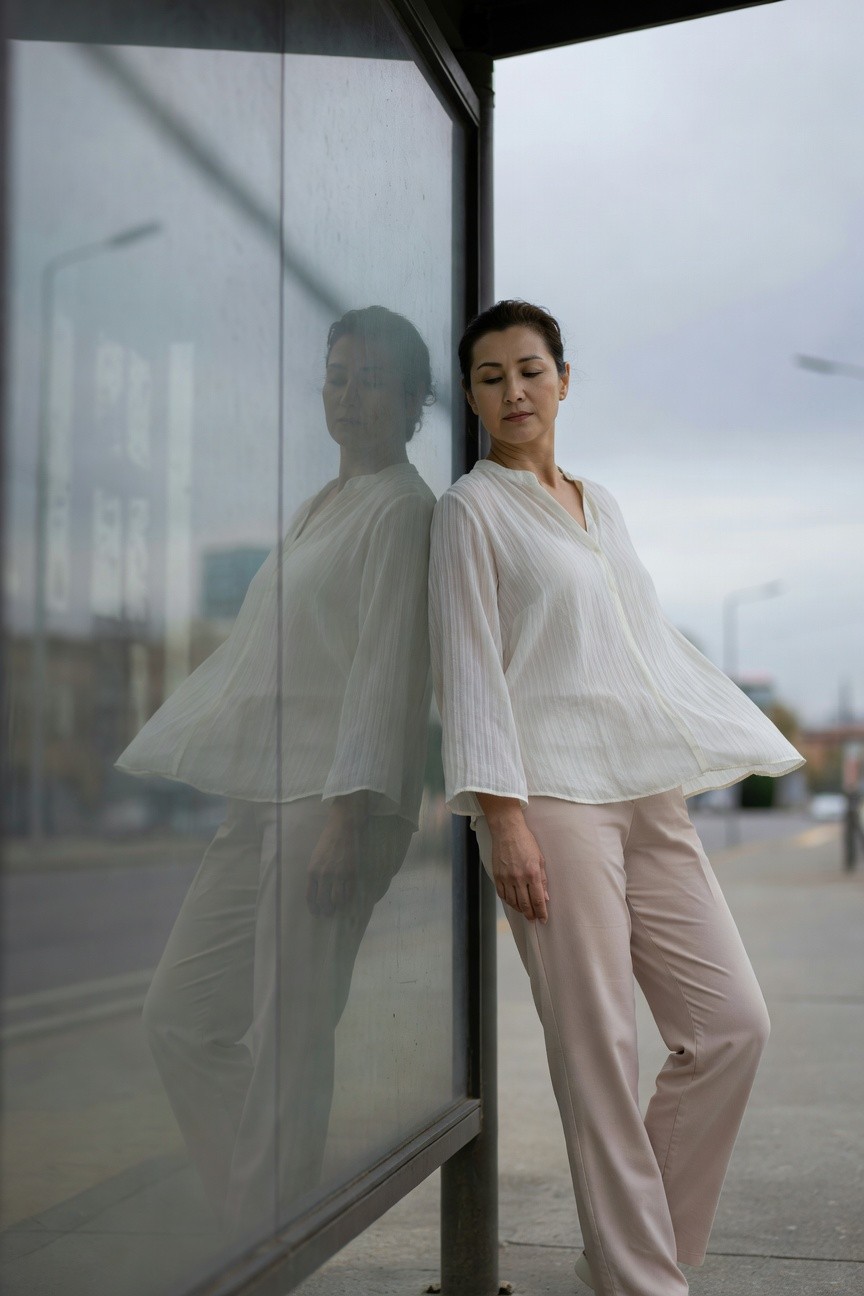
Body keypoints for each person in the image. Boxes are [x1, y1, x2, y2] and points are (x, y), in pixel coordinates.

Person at [428, 300, 804, 1296]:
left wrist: (717, 736)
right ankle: (647, 1285)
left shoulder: (605, 502)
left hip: (649, 793)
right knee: (600, 1052)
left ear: (563, 380)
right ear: (470, 396)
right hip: (548, 800)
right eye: (490, 376)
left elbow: (643, 643)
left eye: (530, 370)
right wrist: (500, 816)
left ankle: (632, 1260)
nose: (514, 391)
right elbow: (467, 666)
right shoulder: (470, 510)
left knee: (730, 1026)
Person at [117, 306, 436, 1236]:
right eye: (336, 375)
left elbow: (387, 670)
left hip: (335, 804)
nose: (347, 394)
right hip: (267, 797)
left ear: (412, 400)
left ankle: (270, 1247)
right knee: (179, 1015)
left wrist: (349, 816)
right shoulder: (317, 508)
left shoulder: (405, 510)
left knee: (292, 1038)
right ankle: (260, 1217)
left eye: (371, 378)